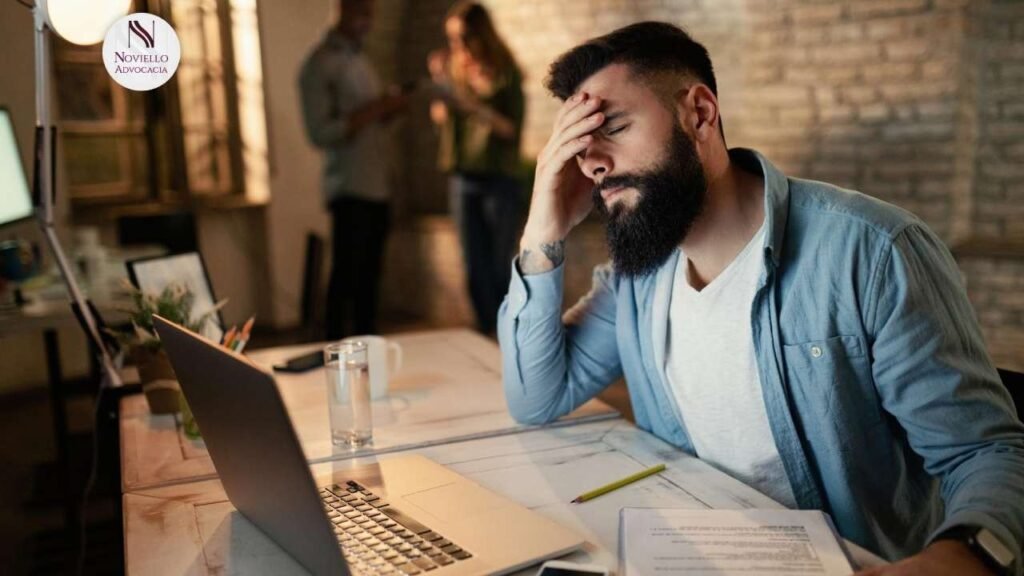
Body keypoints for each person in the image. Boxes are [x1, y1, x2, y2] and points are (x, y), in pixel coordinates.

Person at [499, 21, 1024, 576]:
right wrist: (542, 229)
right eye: (579, 147)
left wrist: (962, 558)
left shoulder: (871, 252)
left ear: (698, 113)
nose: (593, 164)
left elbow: (986, 453)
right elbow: (536, 396)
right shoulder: (638, 279)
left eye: (614, 128)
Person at [299, 0, 407, 339]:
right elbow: (321, 133)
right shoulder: (319, 65)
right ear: (341, 10)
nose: (368, 21)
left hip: (377, 183)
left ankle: (369, 351)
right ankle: (336, 352)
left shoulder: (360, 59)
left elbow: (372, 122)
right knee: (346, 276)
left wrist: (390, 109)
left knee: (371, 279)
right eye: (362, 12)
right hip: (349, 187)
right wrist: (376, 108)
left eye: (371, 13)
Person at [428, 1, 525, 335]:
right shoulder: (455, 71)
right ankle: (485, 333)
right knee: (473, 266)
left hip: (498, 178)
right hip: (462, 176)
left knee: (500, 266)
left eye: (463, 37)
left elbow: (511, 129)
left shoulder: (505, 72)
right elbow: (441, 119)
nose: (457, 46)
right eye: (452, 38)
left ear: (481, 35)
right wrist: (441, 86)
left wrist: (470, 104)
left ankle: (507, 333)